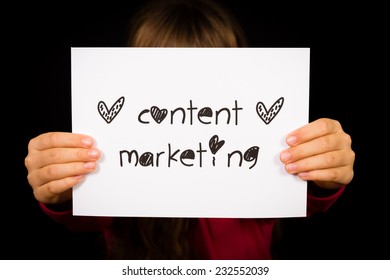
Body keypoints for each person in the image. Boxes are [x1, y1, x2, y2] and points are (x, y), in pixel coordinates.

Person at [24, 0, 355, 259]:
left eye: (211, 74)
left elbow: (304, 196)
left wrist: (324, 171)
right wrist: (60, 186)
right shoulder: (115, 152)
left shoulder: (264, 153)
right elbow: (82, 214)